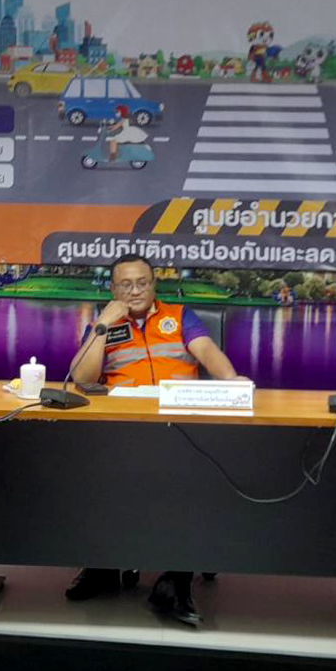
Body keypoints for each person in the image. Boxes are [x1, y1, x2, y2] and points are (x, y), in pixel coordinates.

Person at [67, 254, 241, 627]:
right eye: (125, 284)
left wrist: (231, 380)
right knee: (94, 474)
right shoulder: (103, 323)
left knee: (184, 483)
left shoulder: (180, 316)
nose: (135, 291)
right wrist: (102, 324)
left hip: (180, 425)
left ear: (154, 284)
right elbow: (82, 378)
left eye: (142, 283)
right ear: (113, 289)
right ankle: (101, 565)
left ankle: (174, 581)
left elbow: (207, 352)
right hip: (122, 427)